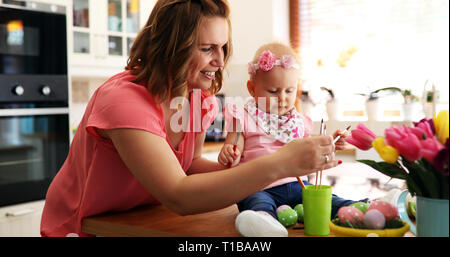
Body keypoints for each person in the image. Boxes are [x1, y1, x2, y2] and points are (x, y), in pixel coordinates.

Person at [40, 0, 340, 237]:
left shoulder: (197, 98)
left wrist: (253, 168)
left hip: (141, 220)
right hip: (84, 228)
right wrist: (279, 163)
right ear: (171, 47)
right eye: (207, 48)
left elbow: (190, 165)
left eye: (222, 47)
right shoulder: (124, 102)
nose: (220, 61)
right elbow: (178, 196)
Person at [218, 42, 362, 237]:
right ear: (252, 88)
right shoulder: (242, 116)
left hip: (297, 186)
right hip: (257, 186)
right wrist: (230, 152)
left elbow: (311, 152)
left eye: (289, 91)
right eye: (273, 91)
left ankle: (360, 208)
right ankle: (263, 223)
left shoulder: (300, 122)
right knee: (258, 202)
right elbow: (233, 146)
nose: (283, 98)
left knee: (325, 199)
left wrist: (331, 144)